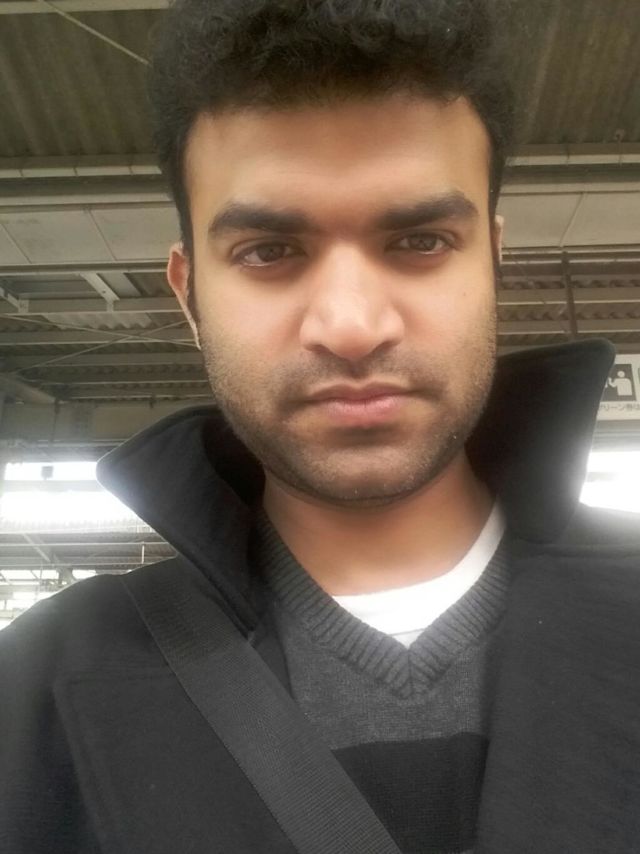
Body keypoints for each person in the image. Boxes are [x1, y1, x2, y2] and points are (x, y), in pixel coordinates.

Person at [1, 2, 639, 852]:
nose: (351, 326)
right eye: (268, 252)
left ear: (493, 259)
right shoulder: (39, 694)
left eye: (420, 240)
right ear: (189, 295)